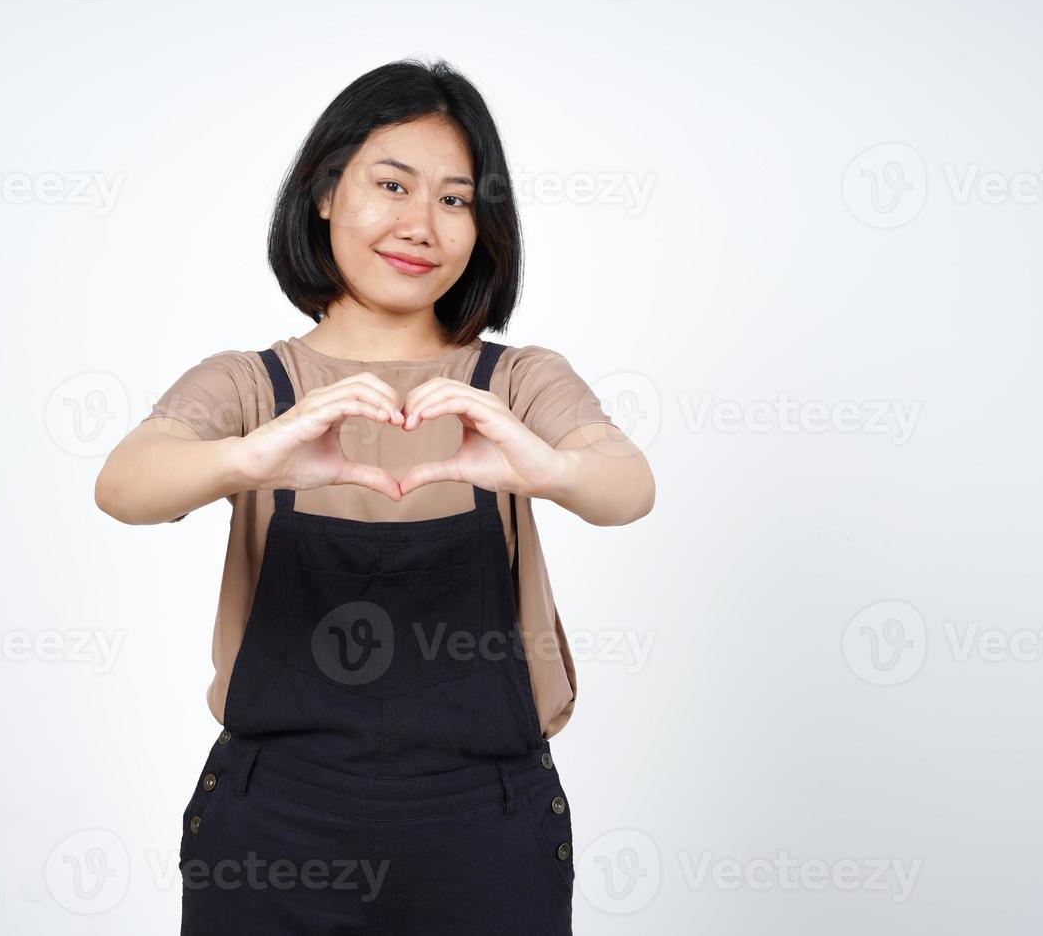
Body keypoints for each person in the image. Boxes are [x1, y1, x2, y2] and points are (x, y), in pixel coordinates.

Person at [95, 57, 654, 935]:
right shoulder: (252, 383)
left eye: (455, 199)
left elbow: (628, 487)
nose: (419, 224)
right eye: (390, 184)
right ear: (323, 193)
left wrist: (547, 468)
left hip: (486, 830)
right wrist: (253, 456)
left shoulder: (516, 380)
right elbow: (124, 484)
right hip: (275, 829)